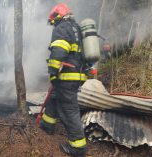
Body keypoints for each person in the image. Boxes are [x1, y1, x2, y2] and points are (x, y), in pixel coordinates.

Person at [39, 3, 89, 157]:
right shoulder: (77, 29)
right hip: (76, 75)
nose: (53, 23)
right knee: (54, 98)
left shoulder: (62, 28)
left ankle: (78, 147)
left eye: (53, 20)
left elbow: (59, 51)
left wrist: (52, 73)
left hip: (67, 76)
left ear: (58, 16)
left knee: (69, 110)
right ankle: (47, 125)